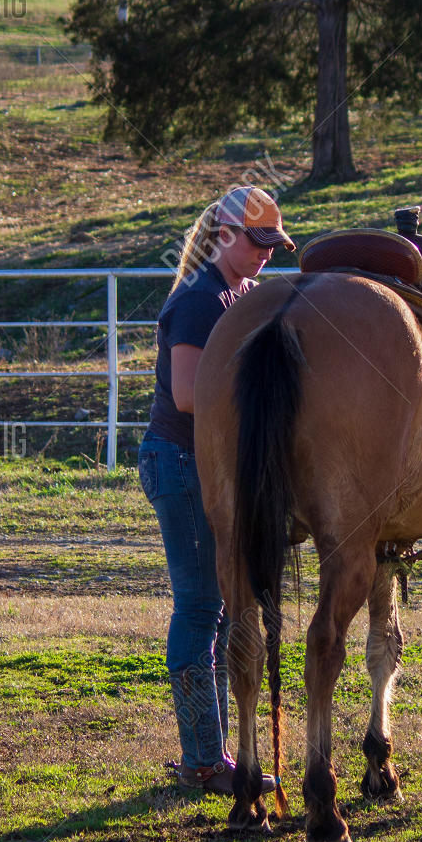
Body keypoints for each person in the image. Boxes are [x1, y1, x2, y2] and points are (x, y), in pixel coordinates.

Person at [138, 184, 296, 794]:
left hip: (209, 462)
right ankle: (205, 760)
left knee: (225, 607)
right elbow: (184, 393)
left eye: (272, 245)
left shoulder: (239, 293)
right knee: (202, 607)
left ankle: (214, 752)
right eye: (258, 243)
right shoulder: (199, 302)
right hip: (180, 461)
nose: (266, 255)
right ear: (224, 236)